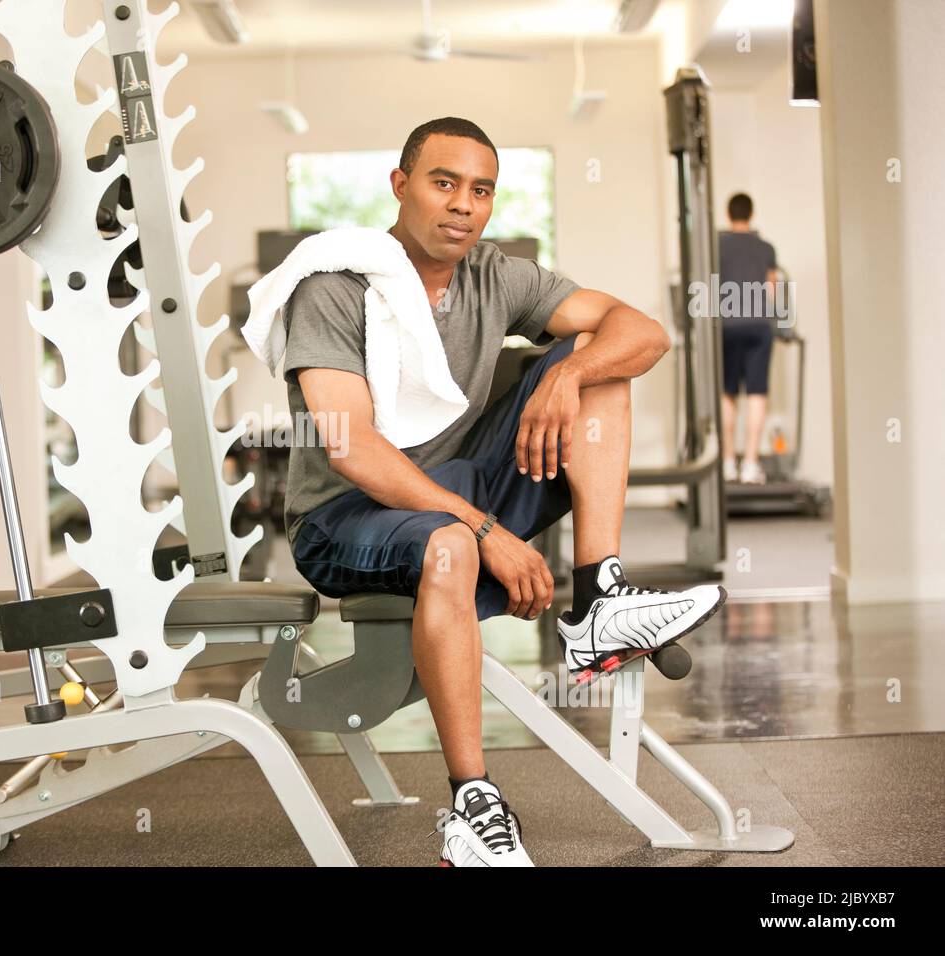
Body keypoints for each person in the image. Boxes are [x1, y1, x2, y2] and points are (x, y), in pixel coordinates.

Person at [273, 117, 726, 867]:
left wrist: (567, 376)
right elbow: (352, 449)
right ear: (400, 185)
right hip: (344, 520)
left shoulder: (496, 275)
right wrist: (487, 532)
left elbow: (644, 332)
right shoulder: (334, 288)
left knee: (599, 358)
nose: (462, 205)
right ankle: (472, 805)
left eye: (479, 191)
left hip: (462, 487)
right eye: (443, 183)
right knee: (450, 546)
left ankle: (600, 599)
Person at [718, 192, 781, 485]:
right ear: (751, 214)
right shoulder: (766, 247)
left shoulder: (717, 246)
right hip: (758, 326)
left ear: (728, 215)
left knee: (728, 393)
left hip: (727, 326)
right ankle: (751, 464)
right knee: (756, 393)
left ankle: (729, 462)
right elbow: (771, 291)